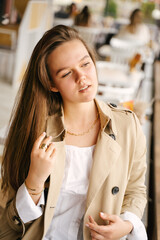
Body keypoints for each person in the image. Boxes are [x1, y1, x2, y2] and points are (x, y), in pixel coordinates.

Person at [0, 25, 148, 240]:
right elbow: (9, 222)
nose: (82, 77)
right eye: (67, 73)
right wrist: (34, 180)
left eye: (86, 64)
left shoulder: (127, 126)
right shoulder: (35, 130)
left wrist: (127, 225)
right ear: (52, 84)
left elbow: (136, 189)